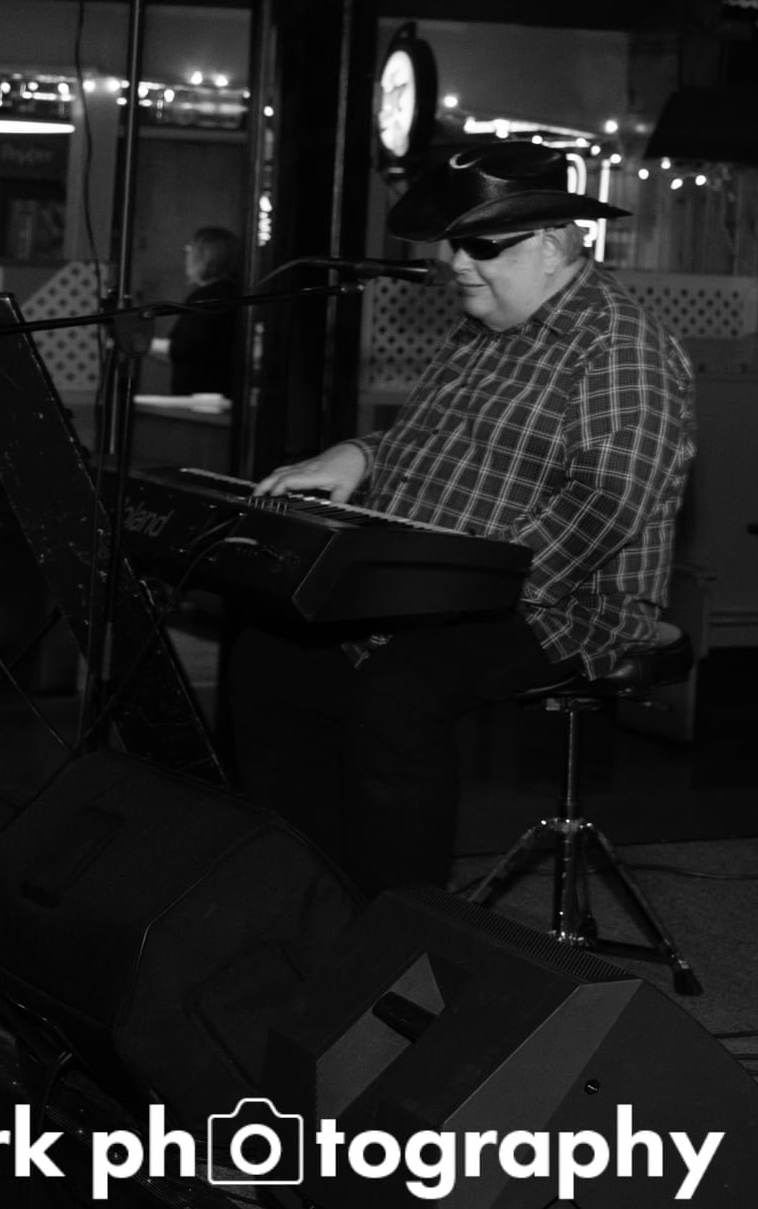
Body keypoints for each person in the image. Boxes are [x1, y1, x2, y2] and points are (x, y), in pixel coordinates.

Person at [224, 142, 696, 895]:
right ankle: (310, 897)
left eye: (481, 246)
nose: (454, 262)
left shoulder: (620, 347)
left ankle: (402, 925)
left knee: (397, 692)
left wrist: (445, 595)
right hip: (431, 584)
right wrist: (358, 455)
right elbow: (427, 444)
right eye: (452, 243)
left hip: (559, 606)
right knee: (270, 657)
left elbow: (605, 505)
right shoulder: (480, 332)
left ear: (553, 243)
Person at [162, 224, 243, 397]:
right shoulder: (232, 293)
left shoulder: (208, 296)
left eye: (189, 250)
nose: (186, 256)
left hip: (201, 398)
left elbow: (183, 349)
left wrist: (136, 342)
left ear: (206, 256)